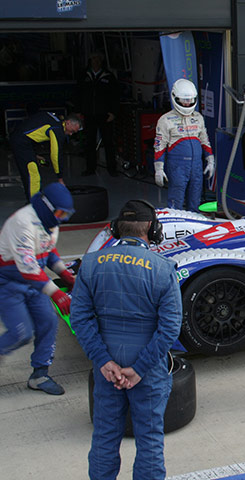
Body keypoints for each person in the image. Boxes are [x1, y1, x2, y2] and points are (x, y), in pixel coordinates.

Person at [71, 200, 182, 480]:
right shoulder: (162, 267)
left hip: (106, 367)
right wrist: (140, 368)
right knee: (149, 439)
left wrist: (104, 361)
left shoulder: (91, 264)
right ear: (151, 229)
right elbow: (170, 328)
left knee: (105, 437)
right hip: (147, 369)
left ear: (115, 230)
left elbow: (80, 319)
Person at [0, 182, 75, 395]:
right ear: (47, 206)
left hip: (34, 283)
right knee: (20, 332)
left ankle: (39, 375)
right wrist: (57, 293)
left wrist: (66, 275)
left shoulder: (50, 221)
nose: (63, 218)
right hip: (8, 284)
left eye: (66, 214)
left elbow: (48, 252)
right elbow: (28, 266)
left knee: (48, 322)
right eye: (60, 213)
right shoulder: (22, 223)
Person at [154, 78, 215, 212]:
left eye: (190, 100)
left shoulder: (198, 117)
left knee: (195, 200)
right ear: (175, 98)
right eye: (184, 100)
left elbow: (205, 140)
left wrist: (210, 160)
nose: (187, 103)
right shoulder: (165, 120)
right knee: (176, 201)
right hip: (177, 166)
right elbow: (159, 145)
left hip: (197, 165)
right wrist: (159, 168)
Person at [9, 112, 83, 200]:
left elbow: (33, 129)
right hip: (20, 141)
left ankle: (34, 197)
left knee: (31, 169)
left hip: (22, 139)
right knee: (32, 172)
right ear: (68, 122)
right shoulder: (57, 129)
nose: (71, 134)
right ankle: (34, 202)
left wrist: (34, 154)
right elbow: (55, 155)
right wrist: (60, 178)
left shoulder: (57, 121)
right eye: (72, 131)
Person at [77, 51, 120, 176]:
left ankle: (112, 169)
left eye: (98, 59)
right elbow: (78, 94)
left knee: (108, 142)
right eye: (93, 59)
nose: (95, 61)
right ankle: (90, 168)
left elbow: (115, 96)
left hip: (105, 115)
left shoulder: (108, 76)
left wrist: (113, 112)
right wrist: (79, 111)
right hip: (89, 114)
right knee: (89, 142)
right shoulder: (84, 76)